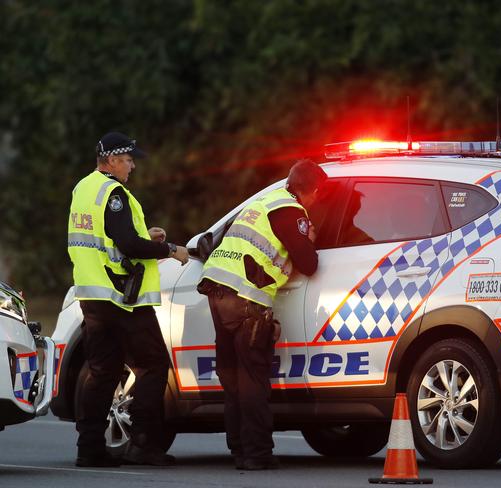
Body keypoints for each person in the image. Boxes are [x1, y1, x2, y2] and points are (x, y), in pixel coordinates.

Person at [67, 132, 189, 467]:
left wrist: (142, 238)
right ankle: (144, 444)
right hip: (122, 296)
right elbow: (128, 246)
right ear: (111, 161)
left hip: (92, 294)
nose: (132, 165)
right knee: (152, 366)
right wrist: (169, 249)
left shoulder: (84, 188)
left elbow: (108, 238)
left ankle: (89, 448)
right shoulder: (114, 192)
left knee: (102, 370)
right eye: (128, 159)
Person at [197, 159, 327, 470]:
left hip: (218, 291)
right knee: (252, 377)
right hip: (245, 299)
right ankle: (256, 454)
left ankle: (240, 449)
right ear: (314, 190)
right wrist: (309, 239)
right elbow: (308, 265)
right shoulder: (291, 212)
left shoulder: (263, 201)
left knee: (232, 377)